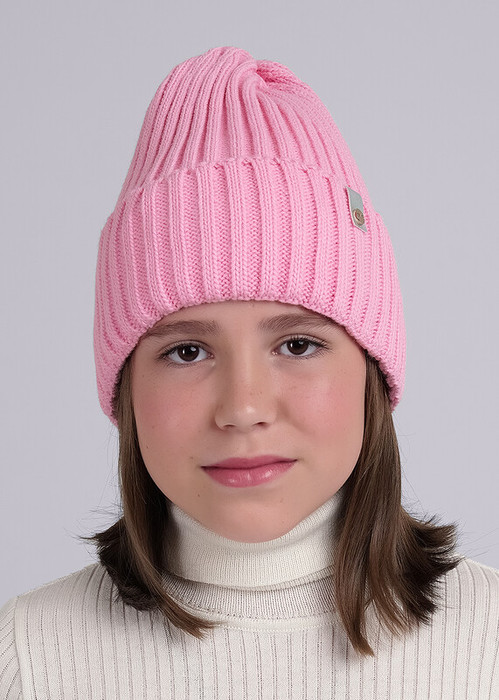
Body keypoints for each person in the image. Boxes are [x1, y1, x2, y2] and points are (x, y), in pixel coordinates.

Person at [1, 46, 497, 699]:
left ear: (370, 373)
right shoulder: (26, 661)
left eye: (297, 344)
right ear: (126, 387)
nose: (243, 407)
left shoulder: (487, 647)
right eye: (186, 352)